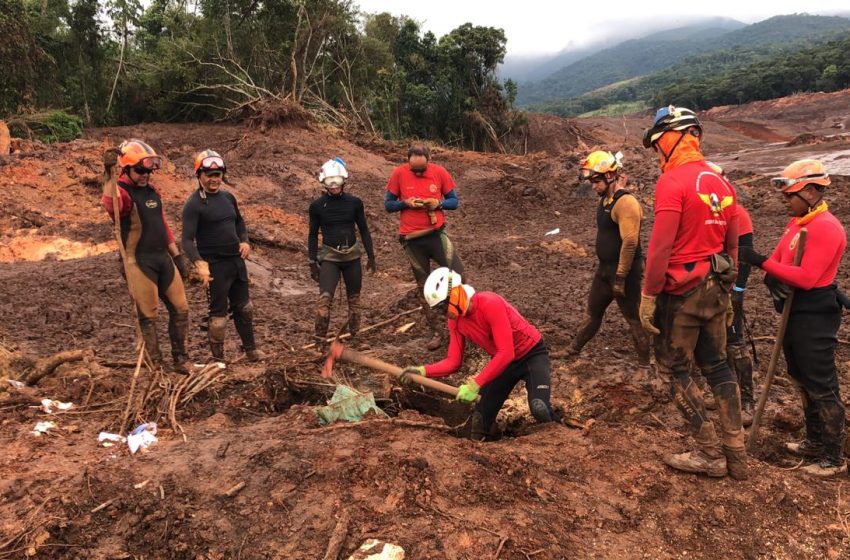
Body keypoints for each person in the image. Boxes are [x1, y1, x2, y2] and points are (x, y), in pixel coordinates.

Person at [639, 106, 747, 480]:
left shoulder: (672, 183)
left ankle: (709, 452)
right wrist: (731, 293)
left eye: (658, 142)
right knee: (718, 366)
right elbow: (732, 246)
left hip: (681, 293)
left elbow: (659, 248)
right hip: (717, 287)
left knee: (675, 370)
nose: (657, 151)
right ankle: (737, 452)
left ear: (673, 137)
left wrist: (649, 295)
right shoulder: (721, 182)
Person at [739, 159, 847, 477]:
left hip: (815, 311)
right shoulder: (797, 225)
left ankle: (833, 456)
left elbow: (807, 277)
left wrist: (760, 263)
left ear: (811, 191)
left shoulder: (826, 228)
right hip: (795, 312)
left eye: (790, 195)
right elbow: (780, 260)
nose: (784, 200)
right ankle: (813, 442)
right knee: (799, 376)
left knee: (821, 384)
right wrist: (772, 276)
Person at [401, 268, 556, 440]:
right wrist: (422, 371)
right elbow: (453, 362)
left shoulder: (489, 303)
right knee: (480, 421)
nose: (445, 313)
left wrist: (475, 385)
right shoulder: (456, 321)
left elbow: (506, 352)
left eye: (445, 306)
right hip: (504, 364)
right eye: (440, 309)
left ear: (456, 293)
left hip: (531, 354)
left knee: (539, 407)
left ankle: (565, 437)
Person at [102, 139, 192, 373]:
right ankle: (157, 365)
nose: (145, 175)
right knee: (148, 314)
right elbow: (111, 205)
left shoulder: (152, 191)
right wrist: (108, 173)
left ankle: (181, 359)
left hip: (163, 258)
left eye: (148, 171)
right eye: (140, 170)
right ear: (126, 169)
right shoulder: (120, 192)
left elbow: (163, 224)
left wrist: (177, 255)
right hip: (138, 262)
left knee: (181, 309)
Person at [568, 150, 650, 365]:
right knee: (592, 312)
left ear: (610, 176)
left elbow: (630, 242)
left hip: (624, 272)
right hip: (605, 270)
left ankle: (644, 363)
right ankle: (573, 350)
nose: (593, 186)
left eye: (596, 181)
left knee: (634, 319)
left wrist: (621, 277)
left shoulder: (626, 203)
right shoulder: (607, 199)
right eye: (591, 181)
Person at [181, 149, 262, 362]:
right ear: (199, 175)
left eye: (218, 175)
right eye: (209, 175)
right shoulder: (194, 204)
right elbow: (187, 241)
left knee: (244, 308)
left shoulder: (228, 197)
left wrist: (244, 241)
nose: (214, 179)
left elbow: (239, 222)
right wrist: (199, 263)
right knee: (218, 315)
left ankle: (250, 350)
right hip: (215, 266)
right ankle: (219, 359)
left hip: (236, 262)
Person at [385, 145, 462, 350]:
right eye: (414, 170)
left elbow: (454, 201)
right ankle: (437, 331)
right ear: (408, 161)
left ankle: (460, 323)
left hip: (436, 234)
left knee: (458, 274)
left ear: (429, 159)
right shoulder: (398, 174)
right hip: (412, 240)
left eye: (422, 169)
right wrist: (406, 203)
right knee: (423, 287)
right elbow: (388, 205)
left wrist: (438, 204)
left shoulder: (440, 172)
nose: (418, 173)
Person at [707, 162, 757, 426]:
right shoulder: (704, 213)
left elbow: (745, 255)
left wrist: (738, 289)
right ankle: (726, 393)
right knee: (714, 339)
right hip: (708, 288)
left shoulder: (737, 213)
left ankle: (747, 400)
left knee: (735, 340)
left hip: (729, 285)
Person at [308, 158, 376, 343]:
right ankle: (319, 340)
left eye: (337, 182)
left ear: (344, 181)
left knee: (354, 299)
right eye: (331, 183)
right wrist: (312, 262)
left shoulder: (355, 203)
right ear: (324, 183)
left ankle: (356, 337)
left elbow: (363, 229)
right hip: (330, 257)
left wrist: (371, 256)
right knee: (324, 300)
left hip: (352, 257)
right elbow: (313, 235)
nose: (334, 187)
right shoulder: (316, 207)